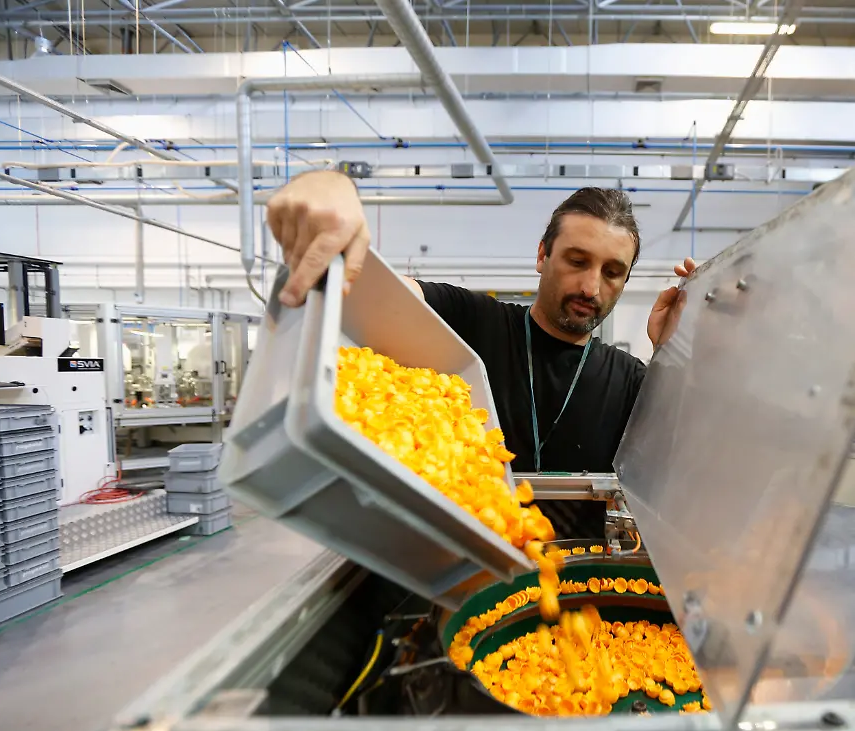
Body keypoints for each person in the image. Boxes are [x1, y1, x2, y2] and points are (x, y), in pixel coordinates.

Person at [267, 171, 695, 538]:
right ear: (542, 255)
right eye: (576, 260)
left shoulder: (631, 381)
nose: (591, 287)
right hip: (457, 572)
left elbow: (683, 469)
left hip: (571, 594)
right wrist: (328, 188)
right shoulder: (471, 321)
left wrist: (671, 351)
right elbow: (367, 289)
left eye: (612, 272)